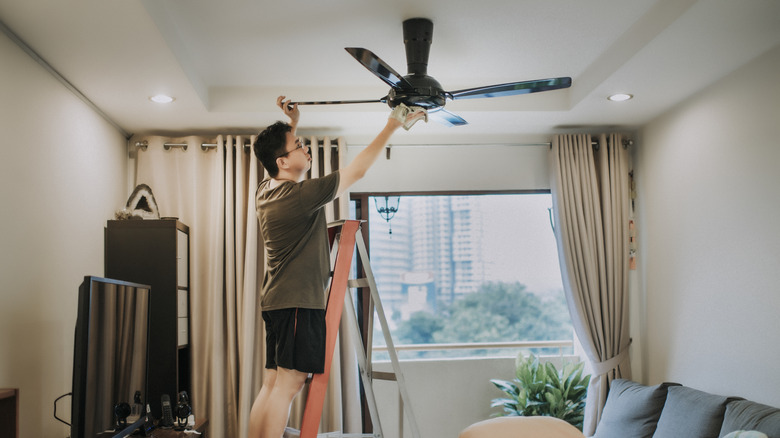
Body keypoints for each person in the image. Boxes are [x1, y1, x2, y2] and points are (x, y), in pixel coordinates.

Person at [248, 96, 425, 438]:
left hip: (277, 301)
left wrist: (291, 125)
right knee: (289, 383)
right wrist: (392, 125)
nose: (306, 149)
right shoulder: (298, 196)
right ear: (283, 162)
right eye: (299, 146)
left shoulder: (265, 190)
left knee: (273, 382)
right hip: (298, 300)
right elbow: (357, 171)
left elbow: (281, 156)